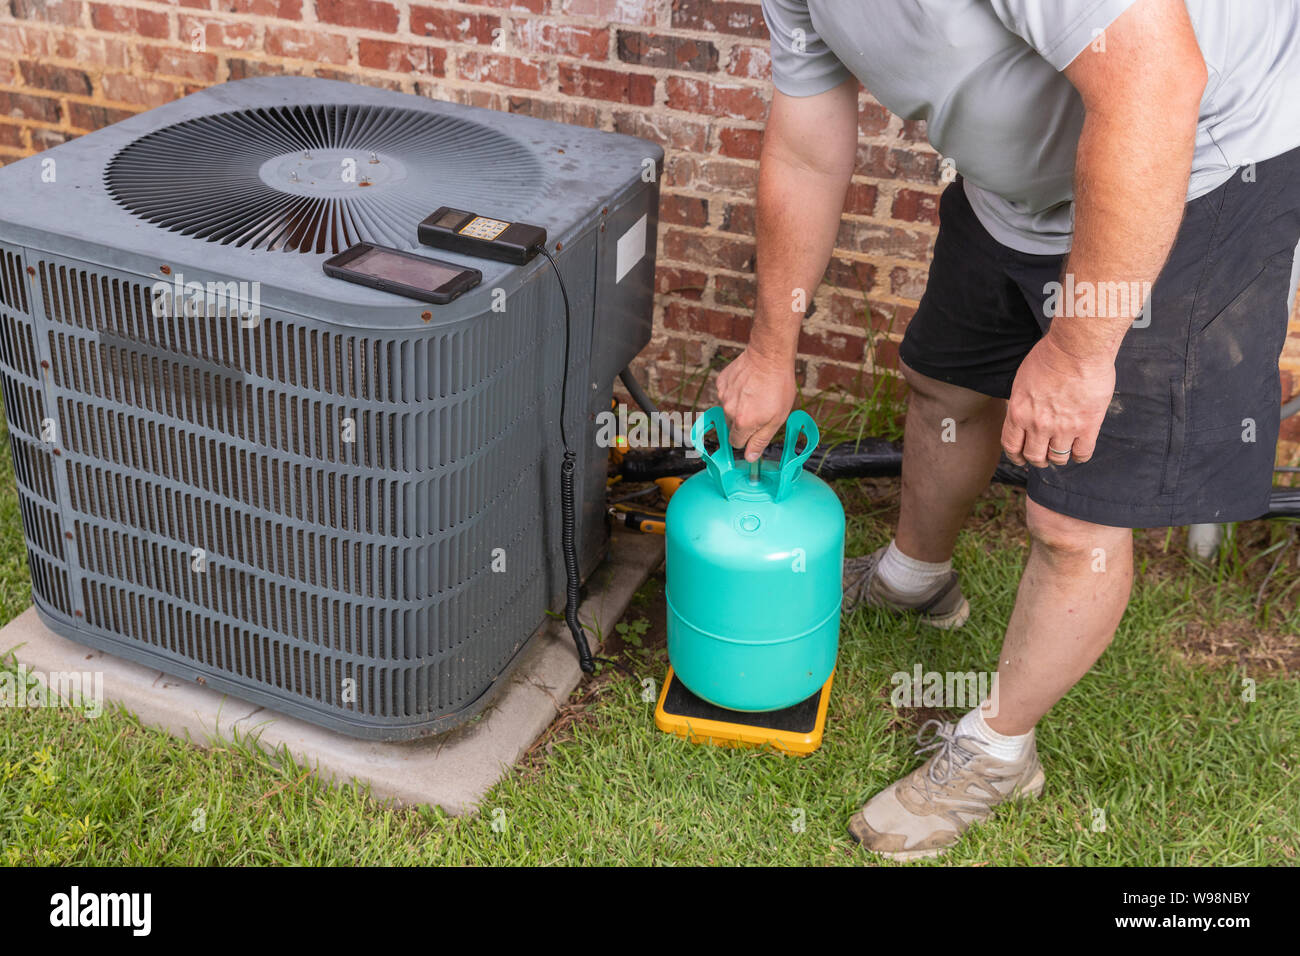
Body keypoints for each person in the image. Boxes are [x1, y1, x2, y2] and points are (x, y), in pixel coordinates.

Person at [717, 0, 1300, 860]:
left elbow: (1155, 83)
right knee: (944, 386)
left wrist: (1077, 349)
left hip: (1190, 163)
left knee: (1074, 514)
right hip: (1020, 186)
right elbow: (807, 144)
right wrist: (772, 347)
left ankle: (998, 750)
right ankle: (916, 580)